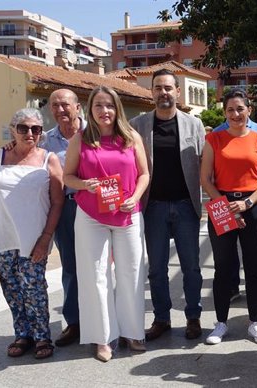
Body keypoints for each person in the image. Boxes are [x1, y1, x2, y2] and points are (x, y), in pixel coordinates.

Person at [63, 86, 150, 362]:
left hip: (128, 214)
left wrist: (135, 197)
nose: (105, 111)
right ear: (90, 110)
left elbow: (144, 174)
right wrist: (84, 184)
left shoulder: (131, 137)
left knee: (132, 273)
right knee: (95, 276)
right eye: (98, 106)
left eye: (109, 105)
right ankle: (102, 338)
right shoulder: (80, 140)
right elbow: (67, 177)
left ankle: (132, 331)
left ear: (117, 109)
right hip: (91, 215)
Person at [0, 108, 64, 359]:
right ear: (12, 129)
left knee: (34, 288)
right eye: (23, 128)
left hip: (33, 236)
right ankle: (22, 334)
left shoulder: (49, 159)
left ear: (41, 133)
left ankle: (42, 336)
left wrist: (46, 238)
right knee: (12, 289)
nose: (29, 133)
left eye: (35, 129)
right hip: (0, 233)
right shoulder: (0, 155)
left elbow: (57, 202)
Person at [129, 69, 205, 341]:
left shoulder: (194, 125)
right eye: (158, 88)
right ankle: (162, 318)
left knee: (192, 267)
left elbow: (204, 164)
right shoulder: (137, 125)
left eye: (168, 88)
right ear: (151, 92)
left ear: (178, 92)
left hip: (186, 206)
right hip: (154, 207)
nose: (163, 92)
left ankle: (193, 317)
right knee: (157, 268)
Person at [200, 88, 257, 345]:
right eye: (230, 109)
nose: (235, 114)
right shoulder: (214, 139)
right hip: (222, 205)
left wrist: (247, 203)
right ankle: (221, 323)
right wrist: (224, 205)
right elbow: (205, 179)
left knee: (254, 267)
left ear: (249, 111)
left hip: (252, 205)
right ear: (224, 113)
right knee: (223, 266)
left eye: (240, 109)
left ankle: (255, 322)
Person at [39, 89, 86, 347]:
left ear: (77, 107)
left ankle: (102, 320)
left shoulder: (95, 133)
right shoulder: (45, 141)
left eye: (65, 105)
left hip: (95, 207)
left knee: (99, 265)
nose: (60, 110)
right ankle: (74, 323)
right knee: (70, 266)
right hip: (66, 208)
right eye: (55, 106)